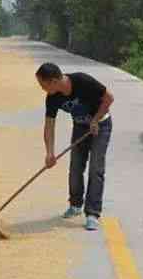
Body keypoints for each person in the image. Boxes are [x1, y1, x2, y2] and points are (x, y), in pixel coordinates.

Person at [35, 62, 114, 231]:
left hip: (100, 125)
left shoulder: (82, 81)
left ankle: (92, 214)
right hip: (80, 127)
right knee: (76, 167)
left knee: (95, 168)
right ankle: (76, 205)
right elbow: (49, 125)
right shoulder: (52, 97)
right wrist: (49, 153)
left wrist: (95, 119)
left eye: (43, 85)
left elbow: (109, 98)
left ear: (54, 81)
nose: (42, 89)